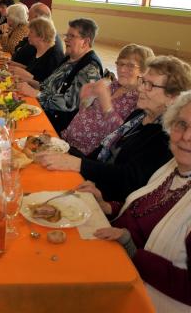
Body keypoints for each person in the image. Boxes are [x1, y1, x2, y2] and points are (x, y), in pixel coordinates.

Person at [77, 90, 191, 312]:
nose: (186, 136)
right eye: (181, 124)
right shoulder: (173, 167)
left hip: (140, 299)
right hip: (112, 261)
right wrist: (107, 206)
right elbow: (144, 208)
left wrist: (131, 249)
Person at [38, 55, 191, 201]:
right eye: (143, 81)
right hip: (95, 181)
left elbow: (129, 178)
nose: (141, 89)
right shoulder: (139, 115)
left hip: (109, 200)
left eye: (150, 85)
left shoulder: (165, 136)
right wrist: (65, 150)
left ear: (173, 97)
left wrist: (77, 163)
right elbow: (102, 154)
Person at [61, 44, 155, 156]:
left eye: (130, 66)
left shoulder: (139, 100)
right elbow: (89, 113)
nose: (122, 69)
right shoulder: (112, 85)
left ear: (144, 71)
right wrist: (85, 99)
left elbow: (121, 136)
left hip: (86, 155)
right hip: (66, 140)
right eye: (120, 63)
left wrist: (107, 105)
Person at [17, 18, 103, 133]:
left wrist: (35, 94)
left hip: (57, 126)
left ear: (86, 42)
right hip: (43, 112)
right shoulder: (70, 58)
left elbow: (69, 103)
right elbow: (48, 85)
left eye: (72, 36)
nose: (66, 40)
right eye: (67, 35)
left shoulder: (90, 69)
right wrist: (28, 82)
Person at [8, 17, 64, 83]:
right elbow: (33, 71)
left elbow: (49, 86)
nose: (28, 35)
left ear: (41, 36)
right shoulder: (37, 49)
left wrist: (27, 75)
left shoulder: (54, 55)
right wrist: (15, 65)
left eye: (31, 32)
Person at [11, 2, 64, 66]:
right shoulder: (48, 33)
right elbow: (18, 47)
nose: (28, 20)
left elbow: (19, 56)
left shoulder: (41, 37)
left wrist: (19, 49)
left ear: (37, 18)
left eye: (29, 17)